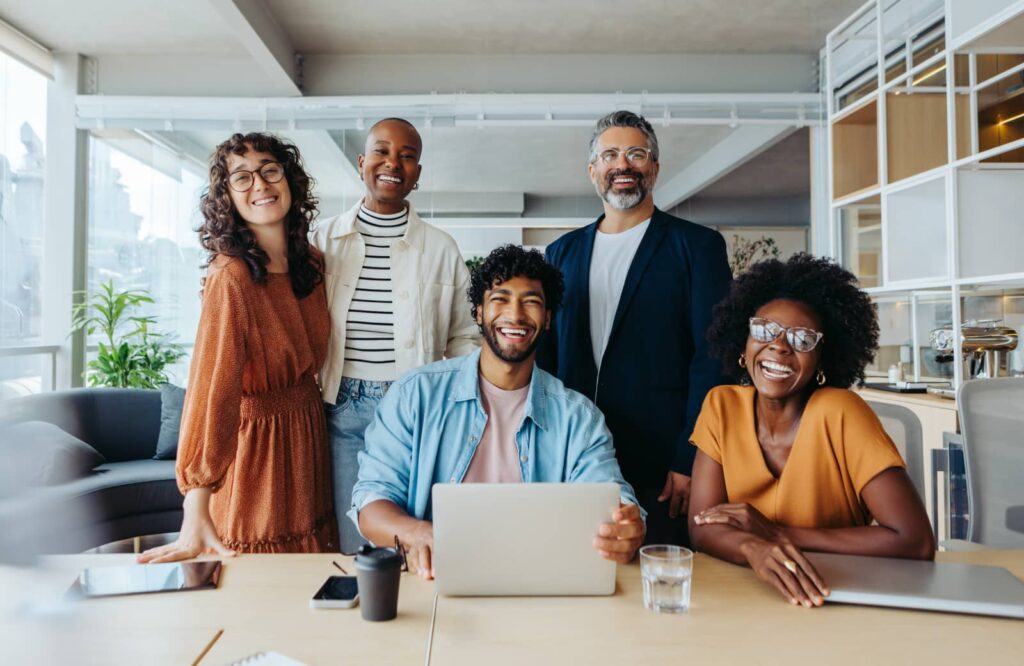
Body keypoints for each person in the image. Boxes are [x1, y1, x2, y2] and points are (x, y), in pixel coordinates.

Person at [352, 245, 645, 578]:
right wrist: (419, 534)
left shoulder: (579, 418)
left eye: (531, 302)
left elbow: (611, 494)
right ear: (478, 312)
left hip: (540, 583)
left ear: (548, 318)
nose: (516, 315)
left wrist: (626, 526)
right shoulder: (415, 395)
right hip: (434, 580)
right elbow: (371, 501)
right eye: (500, 299)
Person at [688, 253, 935, 607]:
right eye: (764, 330)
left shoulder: (841, 412)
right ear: (744, 343)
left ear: (821, 359)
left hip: (837, 594)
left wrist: (776, 534)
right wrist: (753, 547)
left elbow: (915, 541)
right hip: (747, 595)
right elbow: (702, 526)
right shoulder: (721, 406)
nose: (779, 346)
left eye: (802, 339)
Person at [140, 133, 337, 562]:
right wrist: (197, 499)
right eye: (242, 178)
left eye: (269, 171)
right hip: (258, 450)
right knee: (259, 574)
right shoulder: (231, 277)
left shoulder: (313, 264)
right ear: (226, 197)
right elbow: (214, 389)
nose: (260, 186)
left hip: (307, 434)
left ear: (290, 181)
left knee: (311, 573)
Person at [539, 110, 732, 546]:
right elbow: (546, 360)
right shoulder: (559, 253)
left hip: (662, 464)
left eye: (636, 154)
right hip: (576, 458)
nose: (622, 165)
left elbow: (713, 360)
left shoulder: (697, 247)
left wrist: (690, 459)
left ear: (655, 168)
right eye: (609, 155)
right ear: (593, 172)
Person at [310, 118, 480, 552]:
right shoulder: (323, 239)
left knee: (418, 532)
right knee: (360, 541)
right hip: (341, 408)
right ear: (362, 162)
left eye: (407, 156)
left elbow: (464, 336)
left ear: (417, 173)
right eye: (382, 152)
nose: (393, 163)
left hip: (416, 406)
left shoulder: (441, 248)